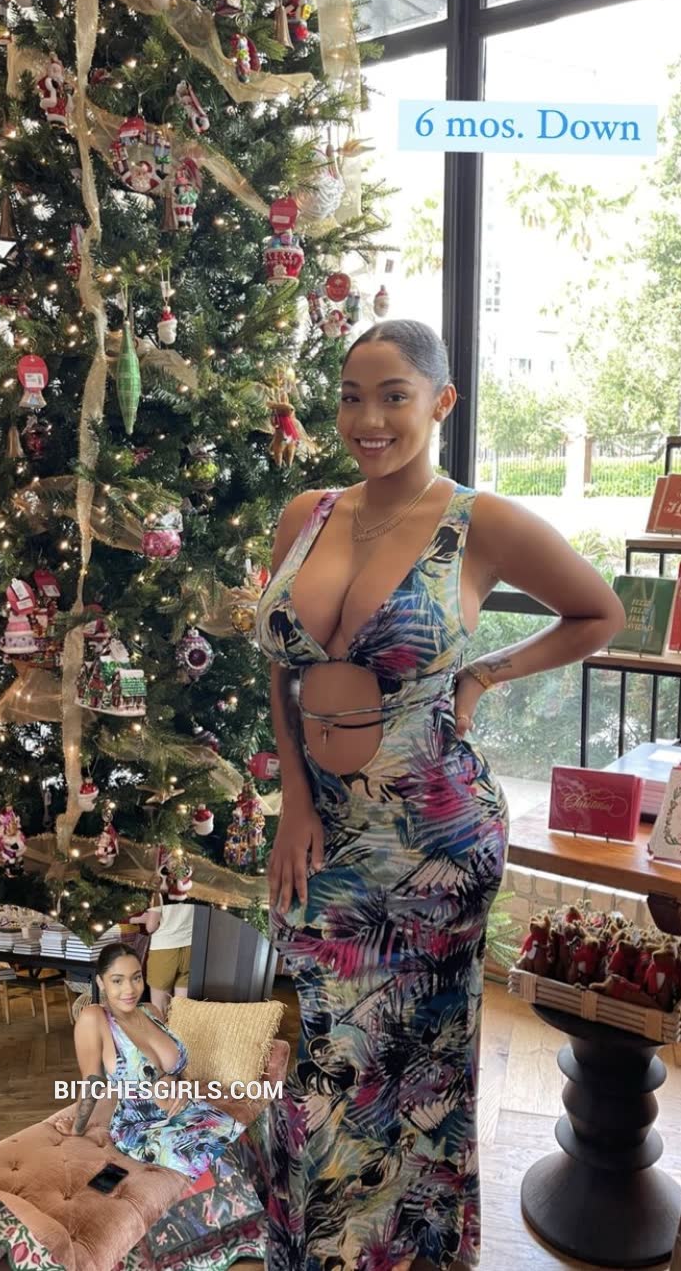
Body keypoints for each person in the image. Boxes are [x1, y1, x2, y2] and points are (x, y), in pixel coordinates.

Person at [253, 319, 626, 1271]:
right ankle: (323, 1248)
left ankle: (402, 1252)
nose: (367, 419)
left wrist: (485, 674)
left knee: (416, 1068)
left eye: (394, 396)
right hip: (323, 831)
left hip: (435, 840)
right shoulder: (307, 513)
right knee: (329, 1055)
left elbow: (598, 612)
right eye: (352, 397)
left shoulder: (480, 522)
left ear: (441, 402)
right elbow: (280, 666)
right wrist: (294, 795)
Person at [53, 943, 243, 1181]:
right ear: (101, 982)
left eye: (136, 978)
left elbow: (172, 1071)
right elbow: (93, 1080)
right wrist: (76, 1129)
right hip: (144, 1128)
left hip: (189, 1110)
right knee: (222, 1167)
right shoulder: (95, 1018)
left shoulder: (151, 1011)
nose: (129, 989)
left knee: (247, 1147)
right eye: (117, 980)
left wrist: (182, 1087)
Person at [142, 881, 195, 1017]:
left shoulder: (159, 893)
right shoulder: (192, 888)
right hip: (189, 948)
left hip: (163, 950)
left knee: (160, 1009)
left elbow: (151, 926)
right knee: (183, 1009)